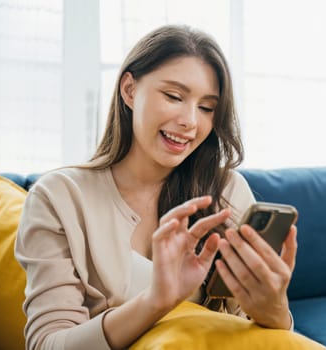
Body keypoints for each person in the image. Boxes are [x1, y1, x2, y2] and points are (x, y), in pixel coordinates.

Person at [15, 24, 297, 350]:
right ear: (130, 90)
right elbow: (47, 344)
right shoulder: (59, 198)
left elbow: (251, 334)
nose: (191, 121)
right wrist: (156, 301)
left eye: (206, 107)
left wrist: (276, 312)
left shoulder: (227, 190)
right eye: (174, 96)